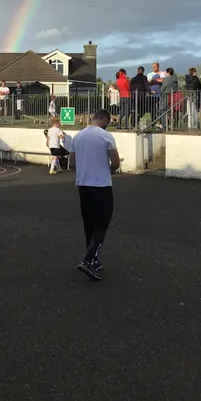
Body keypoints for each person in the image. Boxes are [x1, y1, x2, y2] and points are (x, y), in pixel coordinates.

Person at [69, 109, 120, 281]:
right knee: (101, 225)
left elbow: (71, 163)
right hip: (101, 186)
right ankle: (87, 259)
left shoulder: (77, 137)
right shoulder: (106, 136)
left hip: (83, 185)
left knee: (88, 224)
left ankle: (94, 260)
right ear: (105, 120)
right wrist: (109, 171)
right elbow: (115, 163)